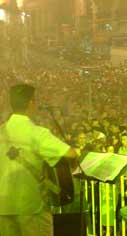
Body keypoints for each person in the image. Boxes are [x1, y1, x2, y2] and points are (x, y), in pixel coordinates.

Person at [0, 84, 77, 236]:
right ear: (31, 103)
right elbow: (70, 153)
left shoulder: (1, 131)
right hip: (31, 207)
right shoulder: (36, 133)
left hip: (4, 206)